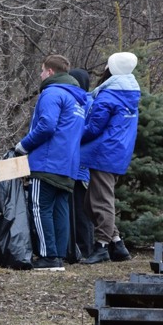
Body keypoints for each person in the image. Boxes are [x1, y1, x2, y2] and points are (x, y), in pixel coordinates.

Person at [13, 55, 88, 272]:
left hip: (47, 163)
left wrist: (23, 146)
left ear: (51, 72)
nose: (40, 74)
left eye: (42, 70)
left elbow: (46, 126)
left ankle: (48, 256)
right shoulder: (77, 99)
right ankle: (58, 256)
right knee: (60, 209)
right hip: (69, 165)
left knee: (39, 207)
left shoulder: (51, 93)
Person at [78, 51, 140, 264]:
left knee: (102, 201)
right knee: (89, 204)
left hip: (104, 152)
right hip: (118, 152)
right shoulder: (129, 93)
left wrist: (73, 136)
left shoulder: (109, 95)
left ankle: (102, 246)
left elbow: (94, 127)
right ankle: (117, 242)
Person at [67, 68, 95, 262]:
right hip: (77, 164)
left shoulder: (85, 102)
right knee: (79, 209)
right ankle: (81, 248)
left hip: (80, 165)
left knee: (81, 209)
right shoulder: (86, 101)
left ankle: (85, 249)